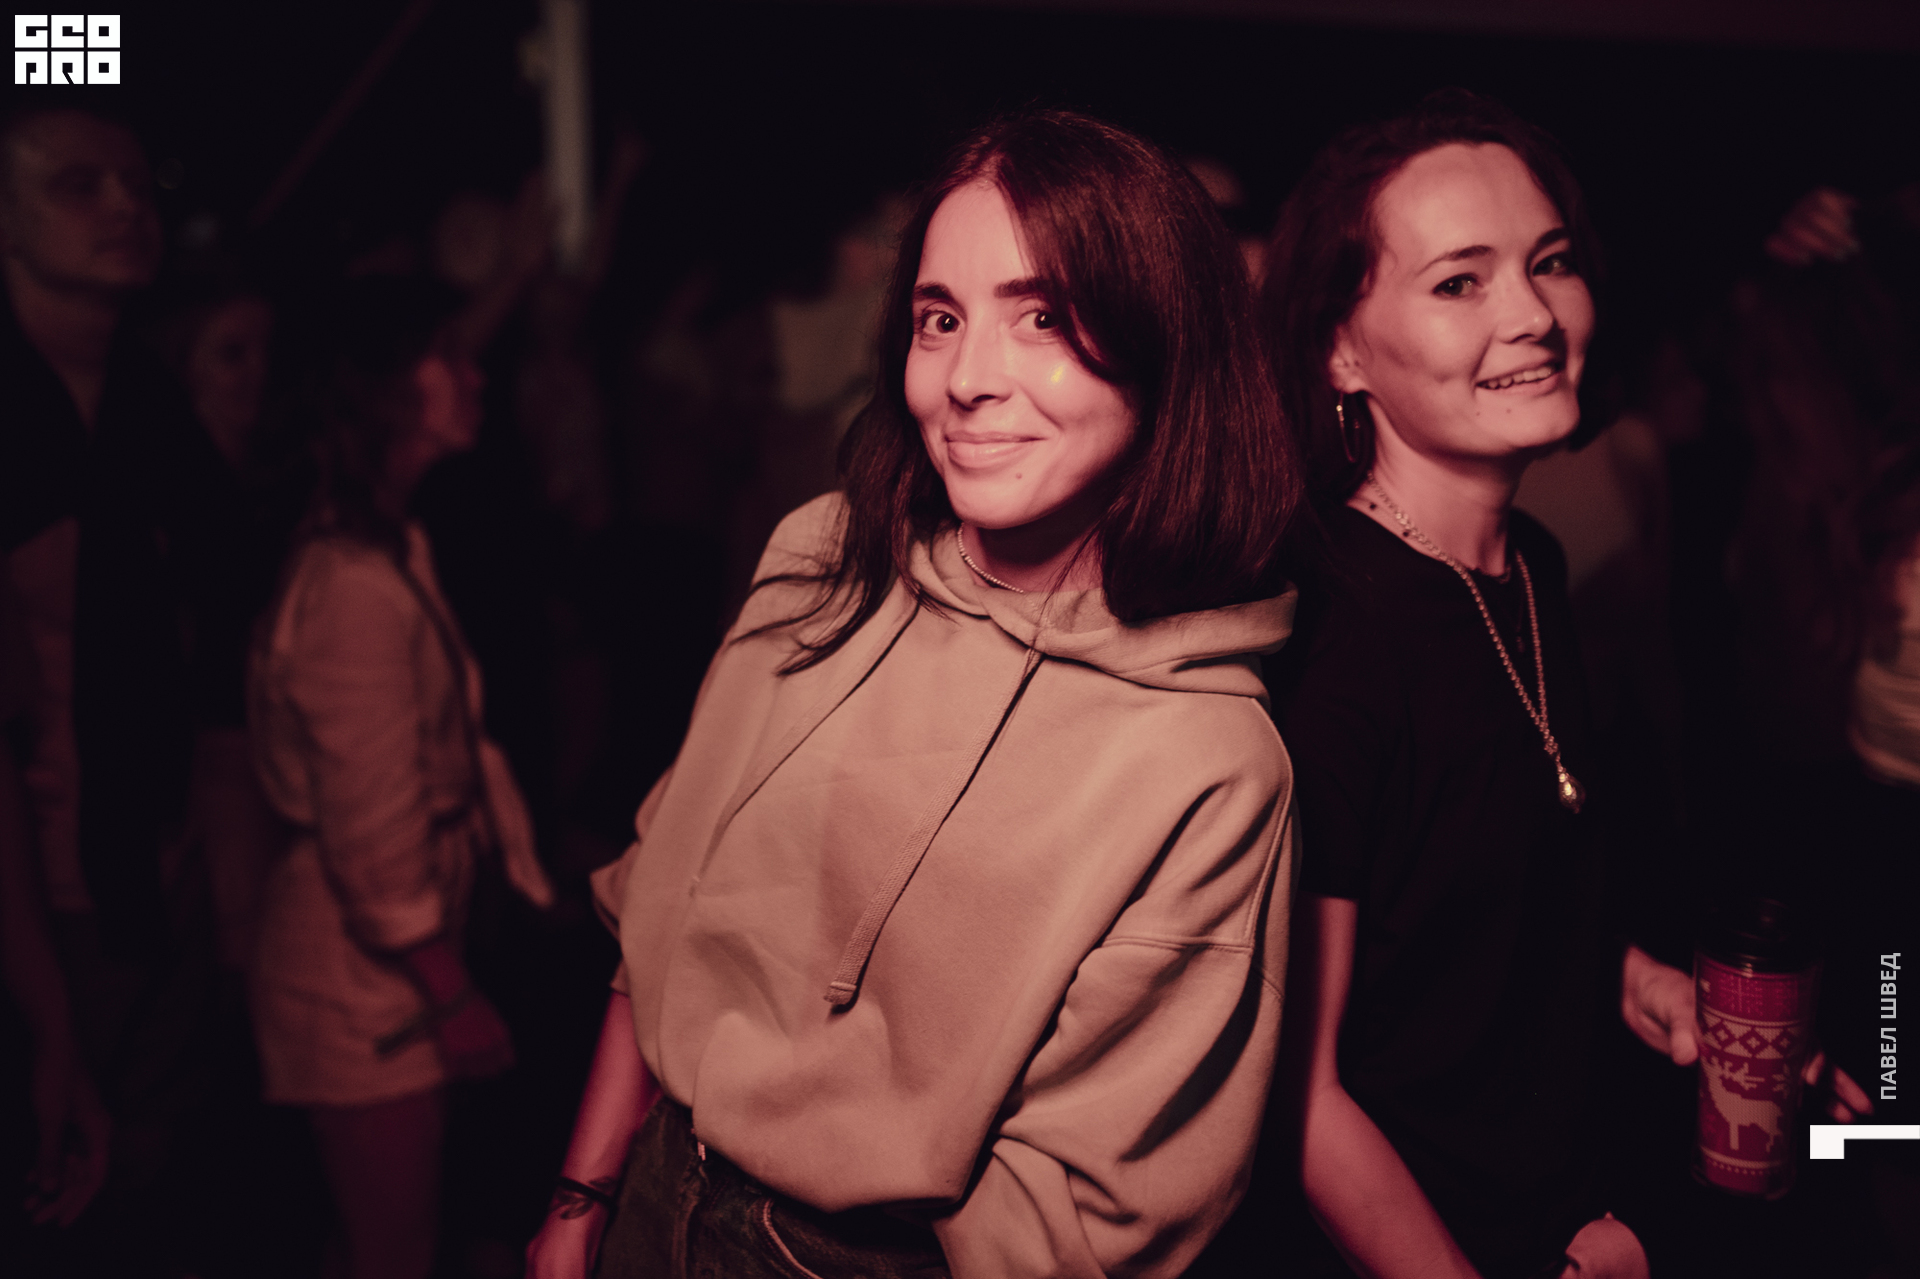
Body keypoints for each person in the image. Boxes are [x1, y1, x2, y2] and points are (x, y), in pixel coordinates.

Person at [526, 108, 1302, 1279]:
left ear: (1167, 348)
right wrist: (582, 1199)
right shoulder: (822, 558)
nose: (968, 379)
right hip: (653, 1190)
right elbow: (664, 910)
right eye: (940, 319)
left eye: (1042, 317)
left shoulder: (1208, 759)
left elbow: (1092, 1211)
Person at [1240, 89, 1867, 1279]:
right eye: (1459, 281)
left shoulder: (1526, 563)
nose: (1532, 313)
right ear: (1338, 347)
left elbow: (1462, 925)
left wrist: (1634, 979)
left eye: (1552, 261)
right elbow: (1302, 1098)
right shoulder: (1332, 632)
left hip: (1567, 1208)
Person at [247, 277, 553, 1279]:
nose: (476, 376)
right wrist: (450, 992)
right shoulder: (352, 588)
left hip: (384, 966)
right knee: (392, 1258)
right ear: (381, 388)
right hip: (357, 979)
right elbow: (372, 834)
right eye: (447, 357)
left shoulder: (391, 547)